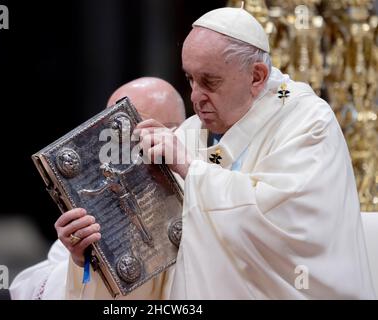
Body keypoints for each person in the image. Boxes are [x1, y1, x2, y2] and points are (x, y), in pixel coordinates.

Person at [135, 7, 376, 299]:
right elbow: (160, 246)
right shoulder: (190, 133)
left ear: (257, 76)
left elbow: (282, 225)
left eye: (209, 82)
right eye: (190, 80)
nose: (195, 97)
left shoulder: (308, 121)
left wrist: (190, 169)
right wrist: (95, 252)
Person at [9, 77, 185, 299]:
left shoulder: (200, 191)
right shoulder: (97, 212)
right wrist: (82, 261)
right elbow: (29, 287)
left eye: (136, 129)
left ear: (175, 133)